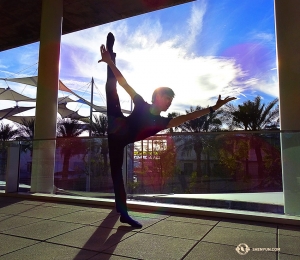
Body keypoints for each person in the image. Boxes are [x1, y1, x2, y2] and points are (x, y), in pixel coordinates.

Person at [99, 32, 236, 228]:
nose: (170, 102)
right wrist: (109, 63)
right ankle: (111, 54)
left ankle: (123, 212)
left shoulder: (163, 122)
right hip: (116, 122)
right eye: (167, 98)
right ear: (157, 97)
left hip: (118, 140)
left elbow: (188, 117)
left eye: (172, 100)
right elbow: (124, 83)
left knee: (116, 176)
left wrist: (213, 108)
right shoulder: (141, 104)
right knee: (111, 89)